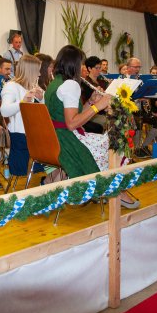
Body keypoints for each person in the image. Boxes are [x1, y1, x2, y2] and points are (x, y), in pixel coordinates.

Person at [45, 45, 139, 209]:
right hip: (68, 140)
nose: (83, 68)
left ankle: (114, 189)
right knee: (115, 144)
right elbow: (72, 123)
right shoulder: (71, 85)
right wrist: (100, 105)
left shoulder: (54, 83)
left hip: (56, 137)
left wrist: (90, 102)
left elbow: (67, 116)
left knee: (109, 141)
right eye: (81, 64)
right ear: (73, 64)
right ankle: (114, 191)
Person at [0, 54, 44, 177]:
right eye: (37, 71)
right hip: (21, 136)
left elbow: (45, 109)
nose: (39, 74)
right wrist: (23, 102)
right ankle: (45, 182)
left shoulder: (33, 86)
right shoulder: (11, 86)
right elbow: (4, 111)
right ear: (29, 71)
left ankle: (47, 182)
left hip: (33, 134)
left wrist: (42, 99)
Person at [125, 57, 157, 157]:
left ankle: (144, 146)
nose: (137, 69)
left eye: (139, 67)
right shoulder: (123, 80)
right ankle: (136, 149)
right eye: (135, 67)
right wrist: (137, 99)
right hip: (129, 111)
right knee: (138, 121)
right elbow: (123, 99)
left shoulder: (141, 80)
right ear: (128, 67)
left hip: (141, 110)